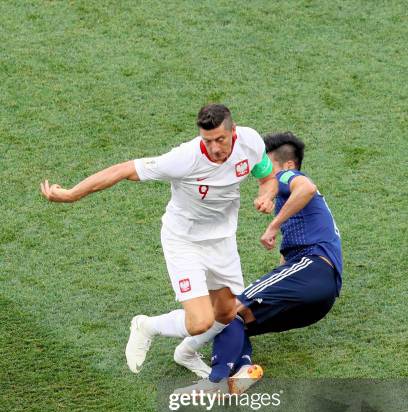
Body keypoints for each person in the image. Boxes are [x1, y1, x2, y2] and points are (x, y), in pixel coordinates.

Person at [40, 104, 276, 374]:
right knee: (200, 321)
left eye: (220, 139)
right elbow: (124, 169)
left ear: (233, 132)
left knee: (225, 313)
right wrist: (72, 194)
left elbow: (267, 177)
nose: (214, 148)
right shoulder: (184, 158)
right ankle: (146, 325)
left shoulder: (251, 142)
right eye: (207, 140)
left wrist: (267, 195)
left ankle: (185, 354)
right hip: (184, 241)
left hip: (222, 241)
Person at [176, 131, 343, 394]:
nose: (262, 175)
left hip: (313, 269)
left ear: (287, 164)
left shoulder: (289, 176)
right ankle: (242, 371)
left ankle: (214, 380)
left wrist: (273, 227)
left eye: (267, 166)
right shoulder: (295, 209)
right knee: (233, 318)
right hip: (319, 298)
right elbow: (287, 260)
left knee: (228, 307)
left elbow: (307, 188)